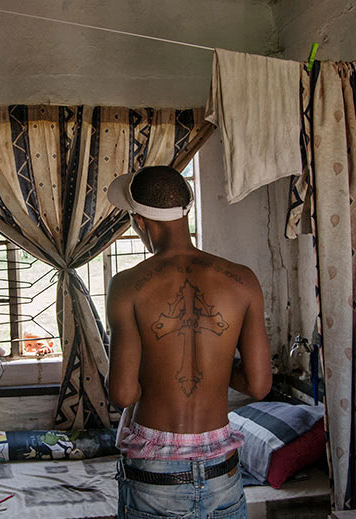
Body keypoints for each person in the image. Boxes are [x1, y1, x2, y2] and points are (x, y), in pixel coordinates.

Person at [106, 165, 271, 519]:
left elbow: (122, 394)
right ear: (186, 210)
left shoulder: (127, 286)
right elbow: (259, 385)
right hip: (222, 474)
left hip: (155, 478)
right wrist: (217, 367)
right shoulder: (243, 280)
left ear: (140, 222)